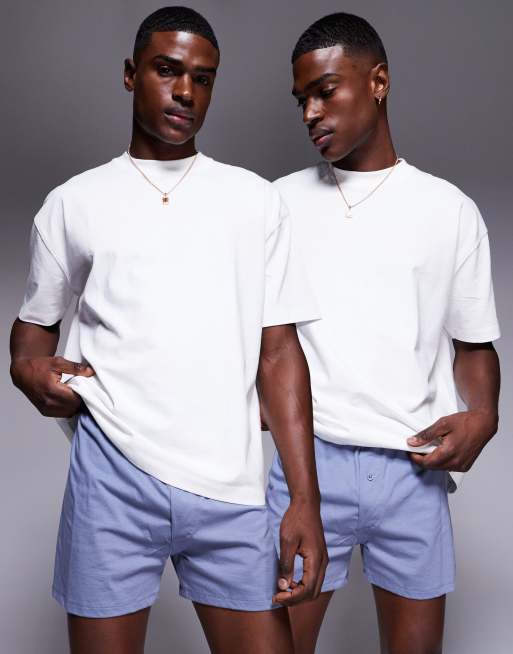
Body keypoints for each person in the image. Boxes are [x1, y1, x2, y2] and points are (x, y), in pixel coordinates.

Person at [9, 7, 327, 654]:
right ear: (131, 74)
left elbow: (279, 355)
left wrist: (304, 499)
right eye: (167, 70)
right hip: (112, 476)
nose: (186, 91)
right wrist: (28, 370)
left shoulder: (254, 201)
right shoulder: (73, 203)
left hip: (228, 481)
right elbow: (32, 332)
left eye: (203, 79)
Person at [266, 12, 501, 654]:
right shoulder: (276, 205)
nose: (311, 112)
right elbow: (256, 341)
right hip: (308, 465)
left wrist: (484, 415)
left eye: (325, 91)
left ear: (378, 82)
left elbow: (473, 344)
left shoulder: (449, 210)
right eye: (301, 99)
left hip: (412, 470)